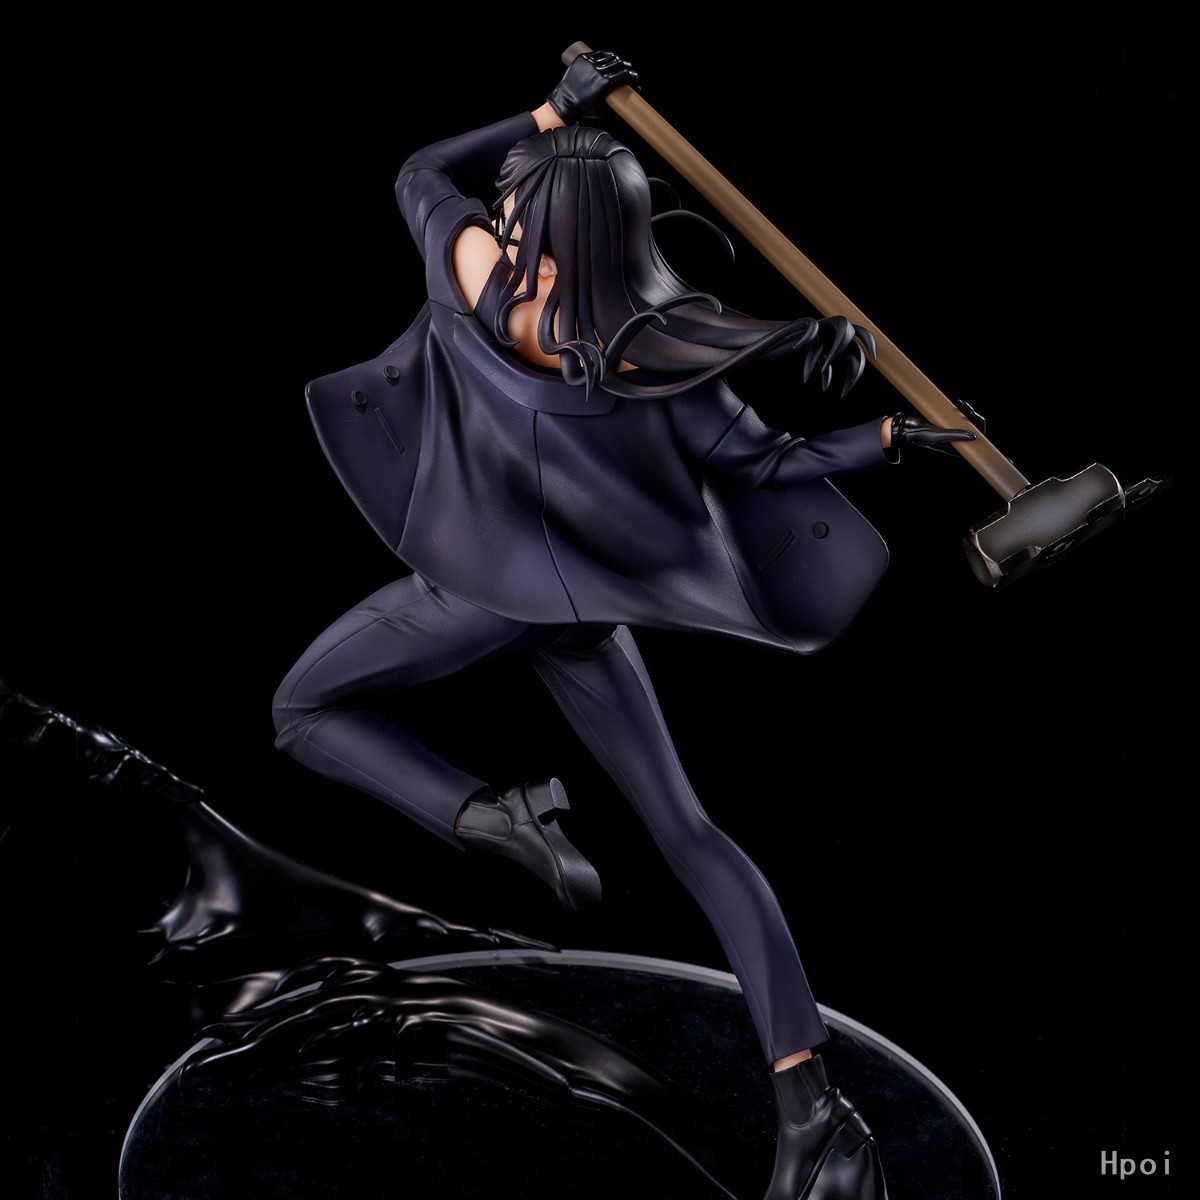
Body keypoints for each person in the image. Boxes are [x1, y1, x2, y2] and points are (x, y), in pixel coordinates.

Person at [273, 50, 973, 1200]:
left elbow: (417, 171)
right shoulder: (659, 361)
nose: (498, 217)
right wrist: (889, 441)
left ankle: (494, 817)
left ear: (539, 237)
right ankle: (817, 1115)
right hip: (581, 619)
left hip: (474, 600)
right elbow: (773, 463)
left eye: (515, 209)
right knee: (692, 835)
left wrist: (549, 109)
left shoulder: (468, 275)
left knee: (301, 709)